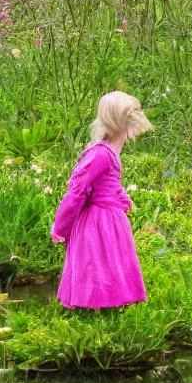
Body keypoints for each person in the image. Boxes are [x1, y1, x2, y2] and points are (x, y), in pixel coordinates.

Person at [51, 91, 151, 309]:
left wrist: (123, 198)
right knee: (96, 262)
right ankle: (94, 308)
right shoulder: (100, 154)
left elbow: (108, 183)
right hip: (97, 221)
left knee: (109, 262)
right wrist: (60, 226)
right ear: (121, 123)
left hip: (110, 218)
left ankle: (110, 306)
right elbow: (76, 192)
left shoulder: (111, 153)